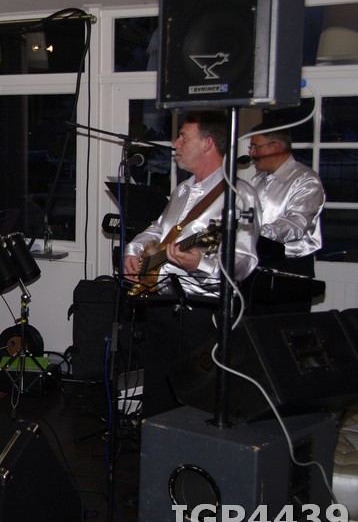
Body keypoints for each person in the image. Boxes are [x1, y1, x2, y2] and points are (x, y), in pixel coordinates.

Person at [123, 110, 260, 418]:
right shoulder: (183, 189)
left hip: (202, 314)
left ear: (208, 143)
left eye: (184, 137)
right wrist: (134, 250)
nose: (175, 143)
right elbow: (159, 229)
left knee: (198, 400)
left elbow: (245, 260)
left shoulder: (239, 195)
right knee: (157, 395)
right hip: (162, 305)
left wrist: (202, 263)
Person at [244, 126, 324, 314]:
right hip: (259, 263)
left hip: (291, 269)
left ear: (275, 147)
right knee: (252, 327)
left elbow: (296, 224)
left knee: (282, 328)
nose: (251, 153)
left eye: (255, 147)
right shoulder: (257, 181)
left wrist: (253, 232)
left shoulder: (306, 180)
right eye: (250, 148)